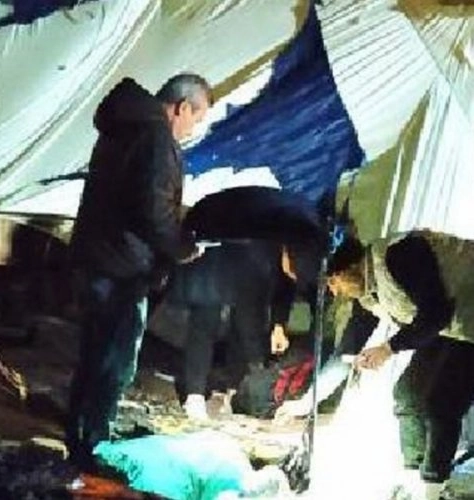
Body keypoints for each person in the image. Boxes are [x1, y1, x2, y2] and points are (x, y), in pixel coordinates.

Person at [66, 73, 213, 468]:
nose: (191, 131)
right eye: (195, 119)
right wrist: (184, 247)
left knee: (94, 356)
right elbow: (151, 210)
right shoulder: (155, 137)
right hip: (122, 268)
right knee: (113, 362)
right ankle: (93, 449)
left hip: (98, 257)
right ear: (182, 107)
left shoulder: (124, 126)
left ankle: (79, 439)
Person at [282, 231, 474, 499]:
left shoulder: (401, 255)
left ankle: (433, 488)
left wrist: (388, 348)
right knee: (407, 395)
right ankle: (413, 478)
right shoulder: (367, 293)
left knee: (441, 402)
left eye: (333, 282)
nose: (335, 292)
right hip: (451, 324)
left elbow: (435, 313)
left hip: (463, 317)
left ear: (348, 269)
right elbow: (346, 351)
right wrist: (306, 403)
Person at [172, 240, 318, 420]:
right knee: (206, 319)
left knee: (245, 326)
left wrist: (279, 324)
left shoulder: (284, 257)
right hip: (223, 252)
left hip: (250, 262)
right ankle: (196, 395)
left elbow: (284, 284)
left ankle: (234, 393)